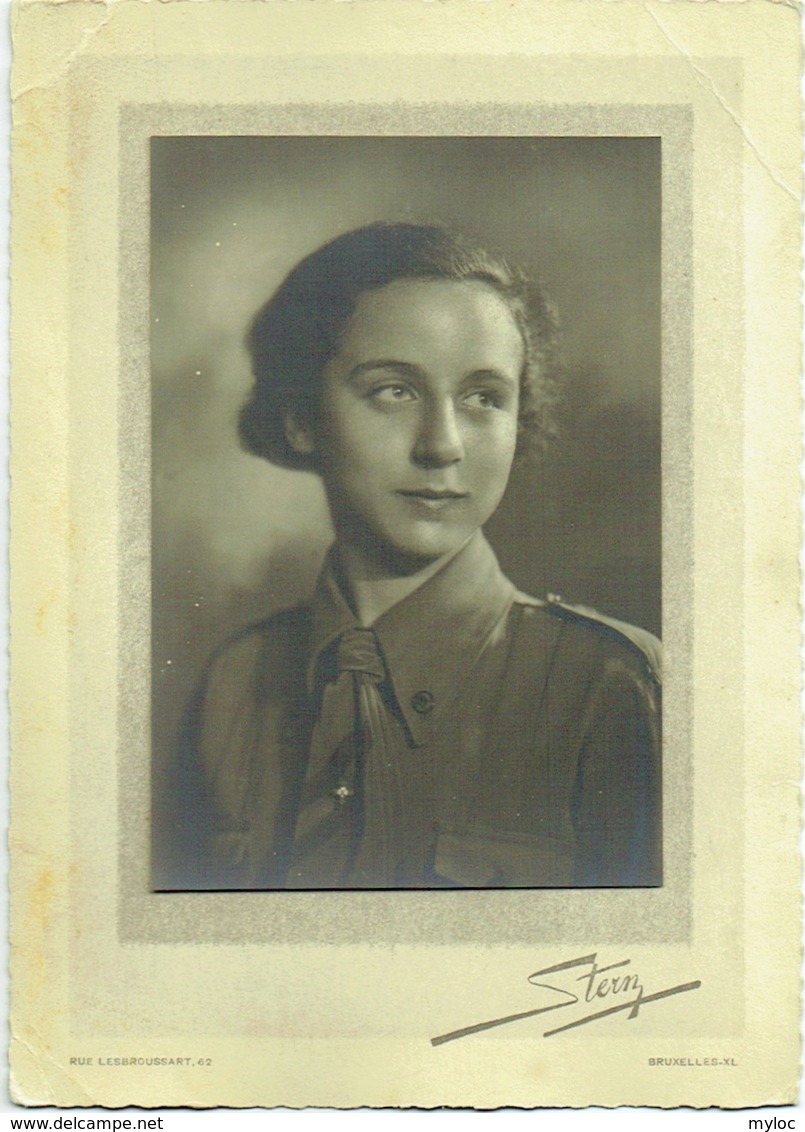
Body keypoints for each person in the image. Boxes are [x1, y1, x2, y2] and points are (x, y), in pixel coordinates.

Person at [163, 222, 661, 891]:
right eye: (393, 390)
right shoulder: (235, 683)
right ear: (301, 418)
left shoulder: (613, 687)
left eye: (484, 397)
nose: (443, 444)